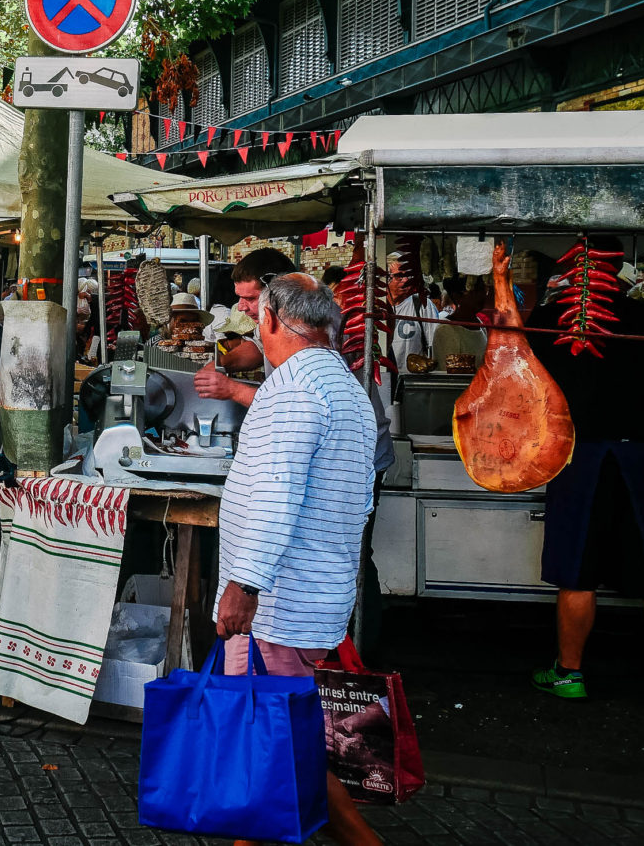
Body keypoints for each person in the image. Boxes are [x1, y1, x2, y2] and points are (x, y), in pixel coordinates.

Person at [211, 273, 381, 846]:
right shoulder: (343, 384)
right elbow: (359, 498)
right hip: (316, 593)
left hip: (281, 604)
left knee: (272, 740)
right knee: (279, 736)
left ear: (273, 323)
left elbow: (276, 493)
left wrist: (245, 583)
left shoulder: (293, 388)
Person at [522, 250, 644, 710]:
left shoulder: (548, 316)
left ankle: (569, 672)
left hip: (578, 449)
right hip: (642, 448)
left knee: (576, 566)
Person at [192, 247, 296, 407]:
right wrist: (222, 363)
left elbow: (292, 405)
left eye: (250, 298)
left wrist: (233, 390)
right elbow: (258, 346)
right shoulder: (268, 323)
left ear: (280, 294)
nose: (241, 307)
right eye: (240, 297)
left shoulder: (306, 333)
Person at [387, 251, 436, 379]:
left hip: (414, 381)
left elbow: (433, 344)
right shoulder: (377, 307)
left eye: (408, 276)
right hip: (385, 379)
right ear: (386, 278)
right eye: (399, 276)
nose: (405, 280)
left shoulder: (421, 304)